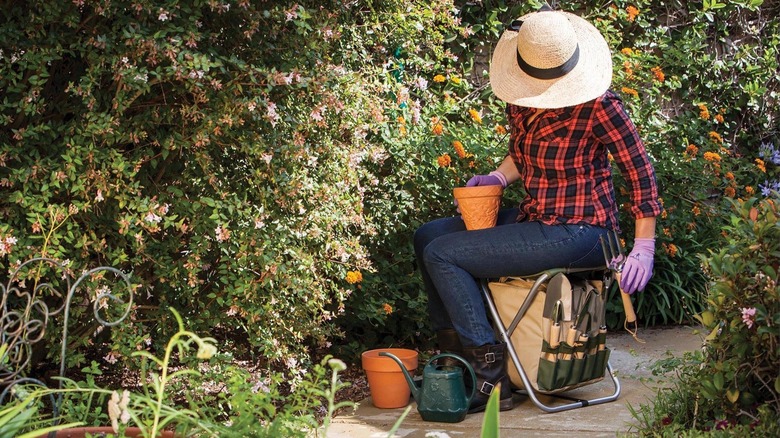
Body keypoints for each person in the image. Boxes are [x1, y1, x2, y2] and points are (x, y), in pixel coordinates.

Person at [413, 4, 662, 414]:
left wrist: (644, 244)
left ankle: (489, 378)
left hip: (584, 231)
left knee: (445, 254)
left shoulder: (600, 104)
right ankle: (457, 362)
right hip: (538, 216)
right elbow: (521, 154)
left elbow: (641, 171)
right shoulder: (522, 96)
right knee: (430, 237)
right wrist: (497, 177)